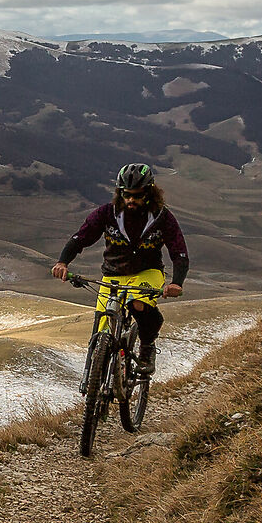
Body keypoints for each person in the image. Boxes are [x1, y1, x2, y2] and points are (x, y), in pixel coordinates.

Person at [51, 162, 188, 377]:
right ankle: (96, 377)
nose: (131, 200)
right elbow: (80, 238)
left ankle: (147, 347)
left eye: (137, 195)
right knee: (102, 324)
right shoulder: (107, 213)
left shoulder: (163, 218)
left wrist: (176, 283)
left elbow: (179, 252)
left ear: (150, 193)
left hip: (147, 271)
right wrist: (62, 262)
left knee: (138, 303)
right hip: (113, 273)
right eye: (126, 195)